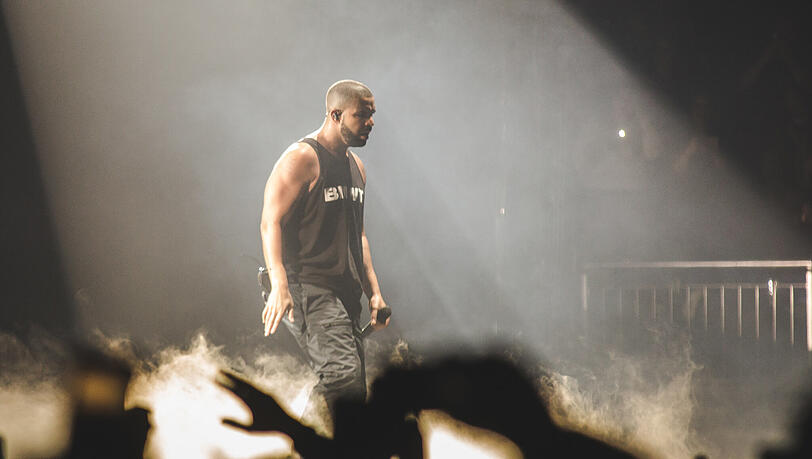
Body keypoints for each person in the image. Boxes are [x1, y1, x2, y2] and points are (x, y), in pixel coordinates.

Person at [259, 80, 390, 414]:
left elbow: (358, 236)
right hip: (307, 287)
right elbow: (269, 221)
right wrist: (279, 285)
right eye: (362, 115)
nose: (371, 123)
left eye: (372, 114)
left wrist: (373, 292)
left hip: (343, 293)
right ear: (335, 115)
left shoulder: (356, 168)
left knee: (349, 388)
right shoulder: (303, 157)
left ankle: (305, 444)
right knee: (343, 381)